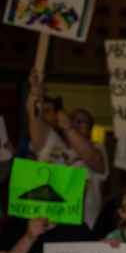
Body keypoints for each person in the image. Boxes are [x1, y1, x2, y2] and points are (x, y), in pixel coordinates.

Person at [25, 74, 108, 229]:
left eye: (81, 121)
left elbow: (93, 159)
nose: (75, 122)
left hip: (82, 225)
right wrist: (35, 96)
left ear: (90, 130)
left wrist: (69, 128)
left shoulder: (97, 147)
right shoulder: (51, 140)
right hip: (44, 223)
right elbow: (34, 119)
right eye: (73, 118)